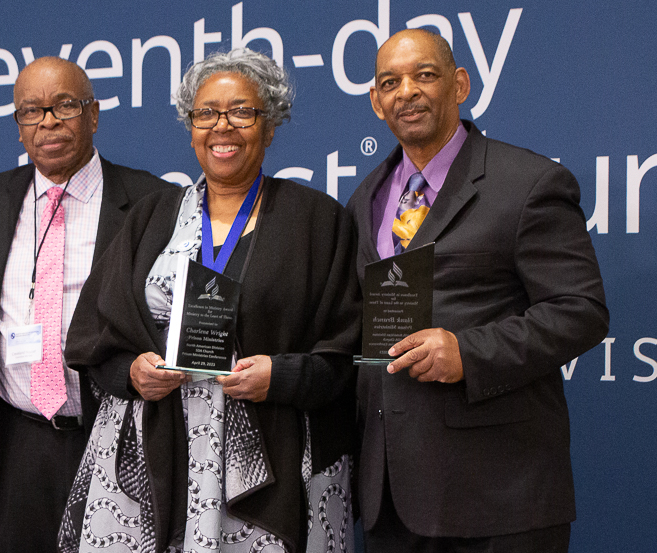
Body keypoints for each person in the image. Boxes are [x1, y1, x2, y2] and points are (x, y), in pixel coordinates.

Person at [58, 48, 361, 553]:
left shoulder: (318, 220)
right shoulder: (150, 216)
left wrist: (282, 377)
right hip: (152, 451)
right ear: (190, 124)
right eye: (206, 113)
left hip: (270, 457)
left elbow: (350, 348)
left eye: (242, 111)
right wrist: (131, 372)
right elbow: (95, 337)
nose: (223, 127)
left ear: (270, 124)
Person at [346, 29, 609, 552]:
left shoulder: (528, 182)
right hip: (390, 500)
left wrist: (469, 352)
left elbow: (581, 311)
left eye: (425, 75)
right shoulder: (365, 198)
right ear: (376, 102)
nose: (407, 92)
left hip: (497, 496)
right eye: (390, 82)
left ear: (460, 84)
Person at [0, 56, 172, 551]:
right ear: (18, 126)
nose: (48, 121)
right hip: (18, 438)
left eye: (64, 105)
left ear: (93, 115)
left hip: (116, 431)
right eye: (31, 111)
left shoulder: (152, 200)